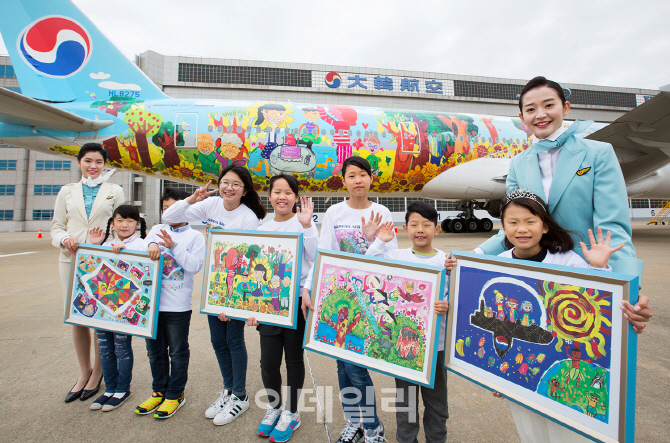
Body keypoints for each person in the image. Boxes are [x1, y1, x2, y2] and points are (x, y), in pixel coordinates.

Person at [476, 76, 652, 332]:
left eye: (549, 105)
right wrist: (475, 256)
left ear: (565, 108)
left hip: (588, 273)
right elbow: (513, 224)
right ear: (522, 117)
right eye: (531, 109)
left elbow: (612, 226)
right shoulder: (518, 163)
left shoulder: (598, 153)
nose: (540, 115)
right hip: (535, 275)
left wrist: (629, 289)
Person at [487, 190, 633, 443]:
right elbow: (496, 323)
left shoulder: (568, 261)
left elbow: (599, 308)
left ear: (544, 227)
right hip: (521, 368)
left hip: (562, 364)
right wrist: (498, 373)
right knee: (530, 433)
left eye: (530, 221)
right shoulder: (496, 264)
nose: (522, 229)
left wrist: (598, 268)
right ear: (504, 228)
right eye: (513, 222)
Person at [161, 164, 267, 426]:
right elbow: (168, 217)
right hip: (213, 285)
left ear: (244, 191)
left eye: (236, 185)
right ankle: (228, 390)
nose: (229, 188)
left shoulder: (248, 218)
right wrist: (192, 199)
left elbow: (246, 263)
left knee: (233, 340)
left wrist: (232, 301)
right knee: (217, 342)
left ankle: (240, 396)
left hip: (234, 286)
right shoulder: (210, 206)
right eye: (225, 182)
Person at [302, 156, 396, 443]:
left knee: (356, 367)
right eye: (351, 175)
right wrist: (308, 287)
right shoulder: (334, 212)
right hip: (338, 297)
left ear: (371, 178)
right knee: (342, 365)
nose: (358, 180)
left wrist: (371, 240)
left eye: (363, 174)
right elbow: (324, 253)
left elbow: (390, 261)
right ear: (343, 180)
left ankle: (372, 426)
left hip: (368, 300)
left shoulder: (382, 212)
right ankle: (354, 420)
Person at [365, 201, 450, 443]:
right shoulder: (396, 256)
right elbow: (367, 263)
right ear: (405, 228)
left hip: (437, 346)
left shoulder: (446, 261)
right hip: (402, 347)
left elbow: (453, 296)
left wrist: (447, 305)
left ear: (437, 229)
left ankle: (437, 439)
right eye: (414, 224)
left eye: (426, 224)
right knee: (406, 403)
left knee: (437, 403)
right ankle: (406, 440)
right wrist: (380, 240)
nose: (420, 229)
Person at [246, 174, 319, 442]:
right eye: (277, 192)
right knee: (268, 362)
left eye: (288, 192)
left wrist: (308, 226)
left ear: (296, 198)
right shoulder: (262, 229)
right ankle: (274, 407)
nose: (282, 196)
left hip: (296, 303)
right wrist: (251, 308)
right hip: (268, 306)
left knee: (294, 360)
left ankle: (291, 412)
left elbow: (315, 257)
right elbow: (253, 272)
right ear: (269, 197)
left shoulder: (303, 225)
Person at [50, 142, 125, 403]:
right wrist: (65, 239)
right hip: (70, 260)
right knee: (77, 317)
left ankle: (98, 373)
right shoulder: (66, 191)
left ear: (104, 164)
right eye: (88, 161)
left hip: (101, 262)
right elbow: (57, 226)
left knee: (99, 318)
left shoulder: (114, 190)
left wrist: (113, 245)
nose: (93, 166)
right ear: (79, 162)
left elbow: (122, 226)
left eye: (98, 162)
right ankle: (84, 372)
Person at [134, 188, 206, 419]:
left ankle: (175, 394)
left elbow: (194, 266)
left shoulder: (195, 236)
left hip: (178, 307)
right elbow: (139, 249)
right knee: (154, 352)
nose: (170, 213)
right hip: (152, 305)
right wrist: (150, 245)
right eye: (165, 209)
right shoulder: (156, 230)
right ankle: (158, 391)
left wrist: (173, 246)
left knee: (177, 352)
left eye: (175, 207)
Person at [87, 205, 148, 411]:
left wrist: (126, 253)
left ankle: (123, 388)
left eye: (130, 221)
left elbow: (144, 273)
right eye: (120, 220)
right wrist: (96, 246)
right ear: (112, 222)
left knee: (122, 348)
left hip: (124, 309)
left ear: (137, 224)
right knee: (104, 349)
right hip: (103, 309)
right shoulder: (106, 243)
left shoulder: (142, 245)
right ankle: (109, 388)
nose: (125, 225)